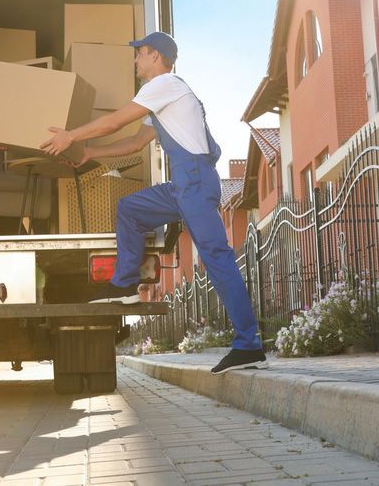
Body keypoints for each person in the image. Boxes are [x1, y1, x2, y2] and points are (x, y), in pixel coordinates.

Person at [40, 31, 266, 374]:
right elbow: (134, 142)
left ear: (157, 57)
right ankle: (126, 284)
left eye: (140, 54)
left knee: (217, 258)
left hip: (194, 180)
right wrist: (89, 152)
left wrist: (70, 135)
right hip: (183, 185)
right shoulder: (162, 98)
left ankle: (248, 344)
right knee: (130, 209)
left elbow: (116, 120)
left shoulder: (166, 84)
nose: (135, 60)